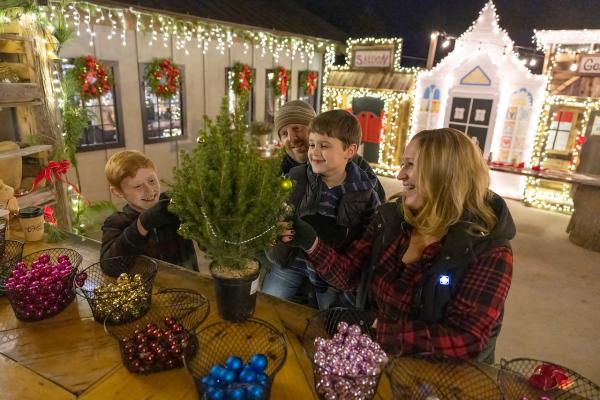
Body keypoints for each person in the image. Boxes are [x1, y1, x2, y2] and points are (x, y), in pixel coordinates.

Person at [278, 128, 515, 363]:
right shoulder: (390, 219)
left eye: (410, 164)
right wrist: (311, 242)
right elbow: (349, 275)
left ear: (444, 173)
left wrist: (375, 328)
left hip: (436, 374)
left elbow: (466, 340)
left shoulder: (489, 250)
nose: (400, 175)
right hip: (372, 355)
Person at [262, 110, 381, 310]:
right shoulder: (296, 177)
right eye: (312, 144)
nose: (314, 152)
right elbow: (276, 212)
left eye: (324, 146)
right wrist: (277, 227)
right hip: (292, 263)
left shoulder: (366, 195)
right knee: (269, 306)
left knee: (330, 322)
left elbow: (361, 253)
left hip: (328, 275)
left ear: (349, 151)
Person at [101, 150, 197, 270]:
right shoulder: (116, 222)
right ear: (117, 192)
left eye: (151, 181)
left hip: (188, 285)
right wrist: (142, 224)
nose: (150, 191)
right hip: (150, 287)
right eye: (138, 186)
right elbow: (110, 267)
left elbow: (211, 244)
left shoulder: (175, 205)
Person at [275, 100, 386, 201]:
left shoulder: (354, 165)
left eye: (297, 128)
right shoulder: (277, 170)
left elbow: (379, 206)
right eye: (284, 134)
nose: (292, 139)